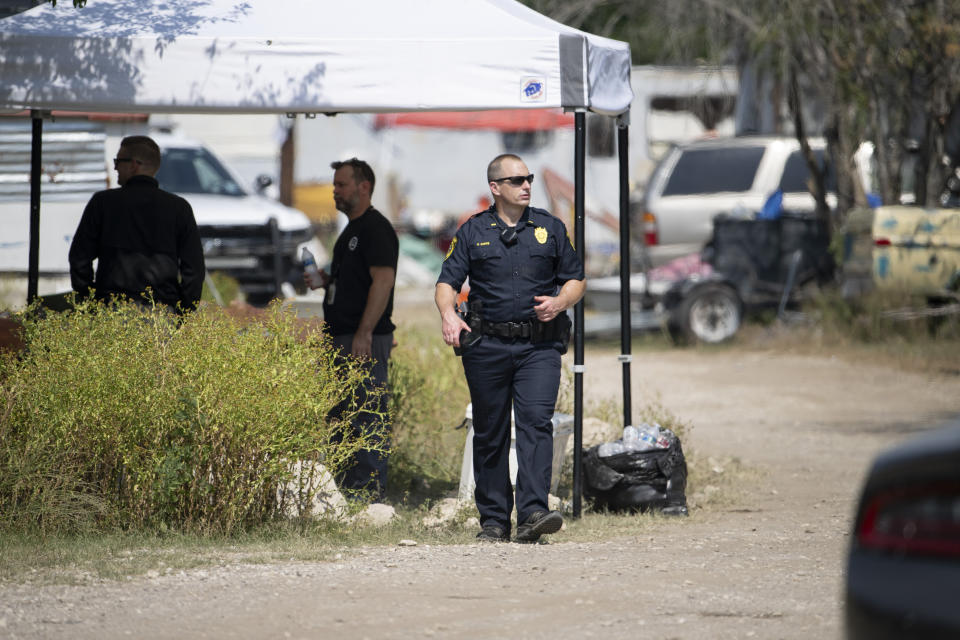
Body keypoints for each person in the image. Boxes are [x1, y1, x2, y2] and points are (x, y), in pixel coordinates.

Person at [435, 153, 585, 543]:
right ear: (495, 188)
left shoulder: (550, 228)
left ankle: (534, 512)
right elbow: (446, 282)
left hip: (539, 346)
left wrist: (560, 302)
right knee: (490, 430)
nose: (526, 186)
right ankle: (495, 520)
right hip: (487, 346)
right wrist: (449, 315)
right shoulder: (472, 231)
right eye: (516, 180)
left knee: (536, 423)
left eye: (529, 178)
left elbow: (576, 280)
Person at [306, 158, 398, 501]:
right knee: (341, 415)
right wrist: (326, 281)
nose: (335, 192)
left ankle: (369, 494)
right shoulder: (350, 232)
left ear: (364, 187)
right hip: (343, 335)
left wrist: (364, 333)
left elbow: (383, 281)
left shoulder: (376, 228)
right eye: (334, 185)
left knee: (365, 413)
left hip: (362, 340)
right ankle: (348, 490)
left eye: (341, 185)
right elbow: (356, 283)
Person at [68, 135, 205, 313]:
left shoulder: (103, 203)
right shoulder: (179, 208)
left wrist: (92, 301)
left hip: (111, 311)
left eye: (118, 161)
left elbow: (79, 258)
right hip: (161, 313)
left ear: (134, 165)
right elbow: (194, 269)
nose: (115, 167)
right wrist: (182, 310)